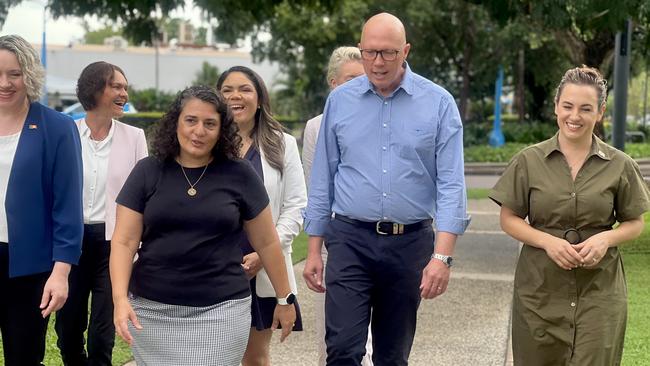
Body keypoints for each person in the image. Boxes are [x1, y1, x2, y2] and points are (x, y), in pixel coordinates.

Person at [303, 13, 470, 365]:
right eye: (370, 52)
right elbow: (323, 179)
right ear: (361, 50)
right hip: (350, 239)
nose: (378, 62)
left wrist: (442, 258)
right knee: (343, 349)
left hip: (409, 244)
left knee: (392, 356)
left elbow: (452, 185)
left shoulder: (438, 103)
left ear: (405, 50)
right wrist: (314, 249)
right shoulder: (340, 101)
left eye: (388, 53)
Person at [110, 85, 296, 365]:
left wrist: (285, 298)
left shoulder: (240, 173)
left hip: (222, 309)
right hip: (152, 310)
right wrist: (120, 299)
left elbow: (267, 242)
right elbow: (124, 242)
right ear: (176, 123)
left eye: (210, 123)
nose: (199, 131)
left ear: (222, 130)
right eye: (191, 120)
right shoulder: (147, 171)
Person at [489, 66, 650, 366]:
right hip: (539, 295)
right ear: (556, 107)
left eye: (585, 108)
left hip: (600, 294)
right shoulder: (528, 160)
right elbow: (508, 218)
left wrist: (606, 239)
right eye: (568, 106)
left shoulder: (620, 164)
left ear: (600, 112)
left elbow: (634, 223)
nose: (574, 116)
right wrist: (547, 242)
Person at [55, 61, 148, 366]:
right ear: (95, 89)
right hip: (71, 241)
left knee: (103, 329)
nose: (124, 92)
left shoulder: (134, 138)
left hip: (114, 242)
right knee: (68, 325)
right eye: (116, 86)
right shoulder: (66, 132)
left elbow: (144, 194)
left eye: (125, 86)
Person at [0, 35, 83, 365]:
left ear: (29, 75)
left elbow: (67, 209)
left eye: (14, 74)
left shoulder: (58, 128)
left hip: (30, 269)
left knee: (24, 357)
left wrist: (60, 273)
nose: (5, 83)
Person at [217, 66, 306, 366]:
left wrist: (263, 254)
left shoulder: (283, 144)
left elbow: (296, 207)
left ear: (259, 97)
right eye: (227, 90)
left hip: (263, 267)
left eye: (244, 89)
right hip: (213, 264)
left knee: (255, 357)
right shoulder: (206, 144)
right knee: (210, 353)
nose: (235, 96)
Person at [301, 46, 373, 366]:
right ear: (333, 83)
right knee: (336, 333)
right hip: (337, 240)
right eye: (350, 79)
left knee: (375, 334)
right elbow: (314, 188)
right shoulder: (317, 126)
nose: (359, 84)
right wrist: (317, 248)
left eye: (364, 77)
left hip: (381, 237)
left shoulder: (383, 118)